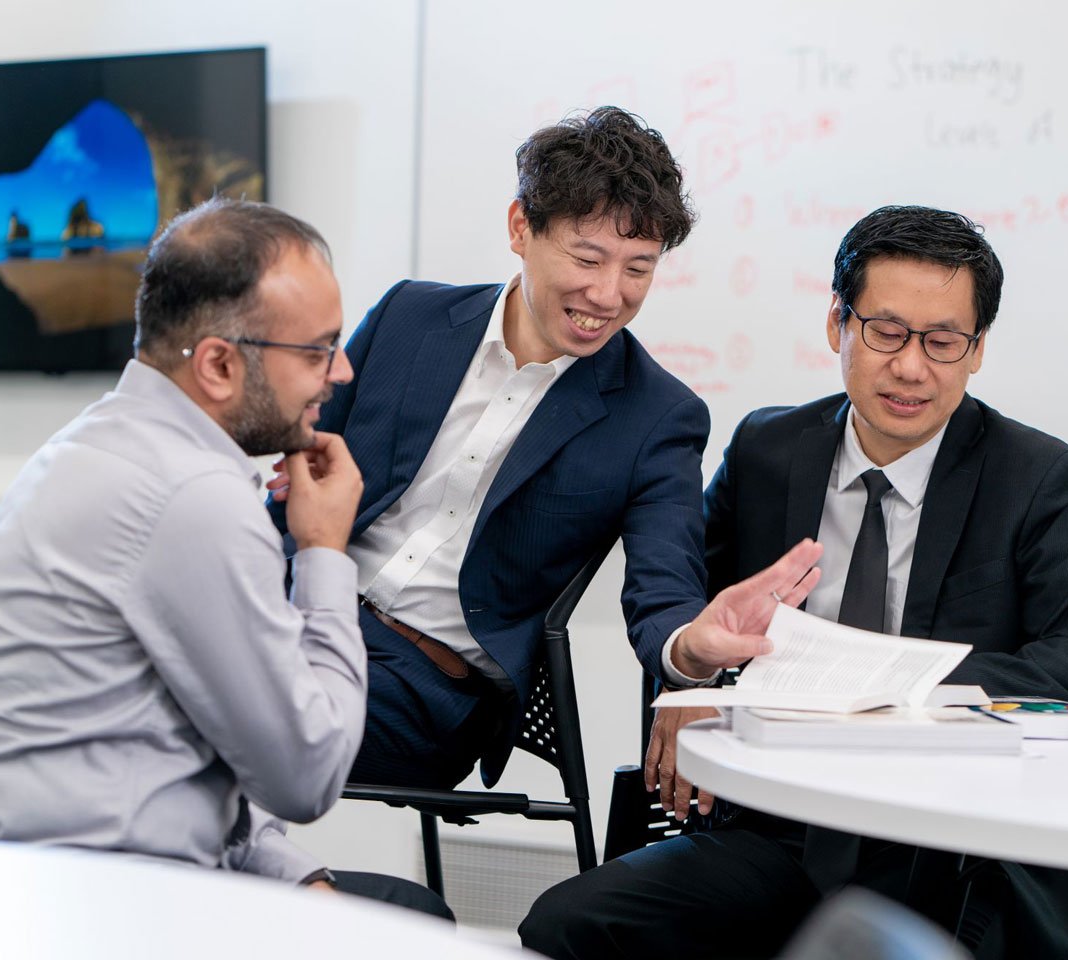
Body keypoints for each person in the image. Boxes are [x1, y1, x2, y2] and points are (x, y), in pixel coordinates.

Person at [520, 205, 1068, 960]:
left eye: (943, 342)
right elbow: (694, 607)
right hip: (783, 829)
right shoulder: (768, 450)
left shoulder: (1033, 476)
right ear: (836, 325)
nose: (912, 367)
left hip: (947, 843)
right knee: (569, 925)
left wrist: (894, 679)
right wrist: (692, 685)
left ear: (977, 352)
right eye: (886, 332)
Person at [269, 106, 823, 794]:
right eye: (587, 258)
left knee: (200, 698)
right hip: (289, 612)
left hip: (425, 688)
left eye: (639, 269)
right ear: (520, 229)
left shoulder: (659, 417)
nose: (608, 294)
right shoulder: (409, 315)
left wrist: (691, 653)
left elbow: (665, 593)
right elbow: (301, 451)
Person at [0, 197, 444, 917]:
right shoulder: (192, 497)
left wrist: (292, 873)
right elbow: (308, 773)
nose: (341, 372)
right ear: (217, 365)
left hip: (36, 883)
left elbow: (181, 746)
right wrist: (325, 551)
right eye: (317, 349)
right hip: (103, 910)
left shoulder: (96, 443)